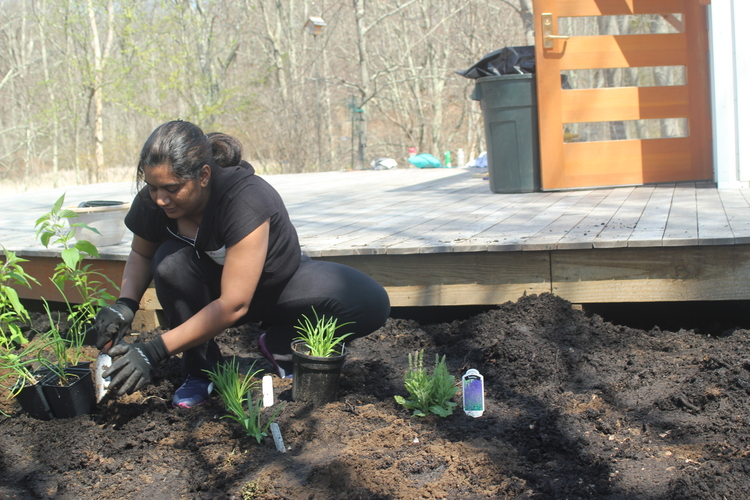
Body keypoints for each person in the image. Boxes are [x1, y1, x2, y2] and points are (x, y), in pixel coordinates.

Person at [92, 120, 390, 408]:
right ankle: (200, 370)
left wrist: (153, 351)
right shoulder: (156, 200)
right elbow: (142, 254)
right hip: (208, 289)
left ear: (204, 175)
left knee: (368, 301)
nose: (160, 199)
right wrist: (125, 305)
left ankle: (280, 346)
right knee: (169, 262)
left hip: (277, 286)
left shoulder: (245, 198)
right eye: (152, 187)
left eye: (172, 188)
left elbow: (234, 303)